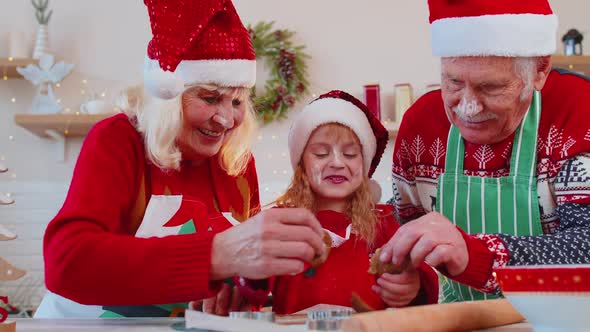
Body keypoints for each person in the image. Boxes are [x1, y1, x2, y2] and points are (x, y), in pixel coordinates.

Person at [35, 0, 326, 318]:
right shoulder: (118, 139)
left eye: (238, 101)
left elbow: (240, 269)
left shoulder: (237, 163)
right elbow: (68, 262)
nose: (227, 119)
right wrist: (216, 256)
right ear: (168, 96)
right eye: (210, 98)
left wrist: (243, 285)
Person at [380, 0, 590, 303]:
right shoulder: (420, 127)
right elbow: (405, 241)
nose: (468, 106)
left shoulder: (579, 114)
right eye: (453, 81)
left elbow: (584, 246)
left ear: (539, 70)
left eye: (490, 87)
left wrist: (475, 255)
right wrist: (408, 281)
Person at [210, 91, 438, 315]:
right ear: (301, 166)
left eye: (350, 154)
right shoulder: (281, 225)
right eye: (321, 154)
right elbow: (251, 291)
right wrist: (247, 276)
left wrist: (412, 287)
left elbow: (423, 287)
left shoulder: (386, 223)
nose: (337, 163)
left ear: (364, 165)